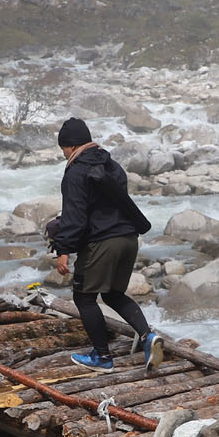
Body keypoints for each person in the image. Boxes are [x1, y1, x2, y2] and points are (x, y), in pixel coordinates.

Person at [47, 117, 163, 371]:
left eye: (63, 149)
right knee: (112, 294)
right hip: (128, 239)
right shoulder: (112, 165)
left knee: (84, 297)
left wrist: (62, 250)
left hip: (103, 243)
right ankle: (148, 336)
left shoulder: (76, 172)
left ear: (71, 146)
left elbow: (75, 217)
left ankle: (102, 357)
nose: (64, 154)